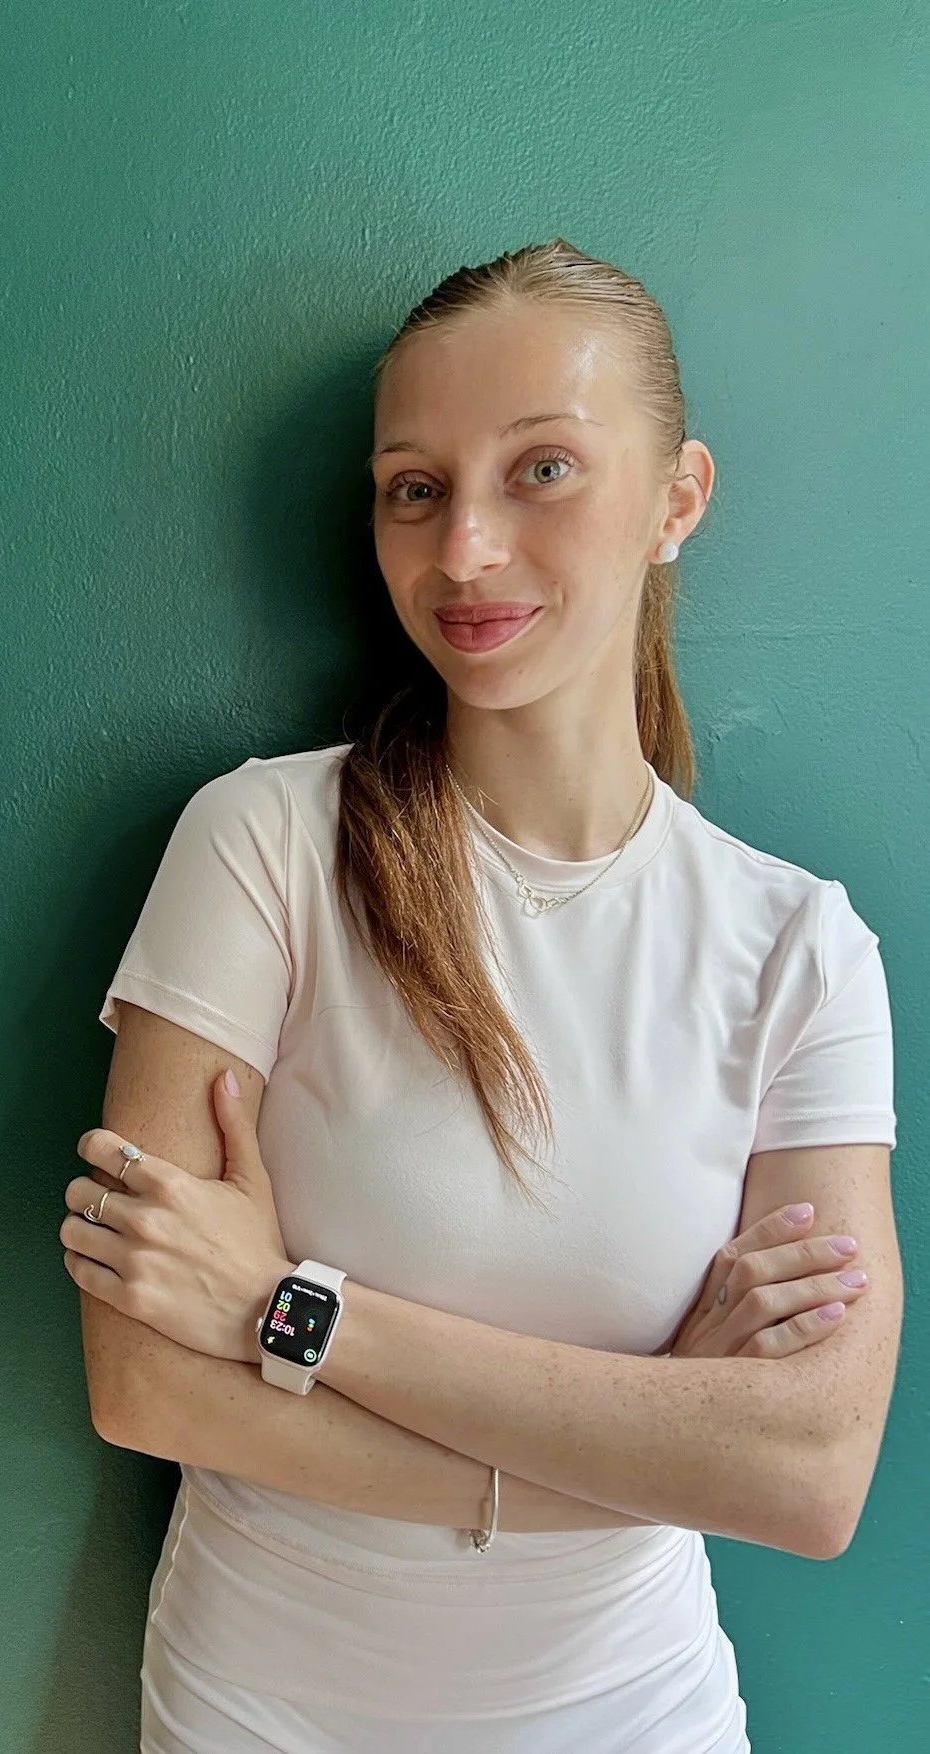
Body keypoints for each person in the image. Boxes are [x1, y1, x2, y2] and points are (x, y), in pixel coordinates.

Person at [61, 238, 902, 1754]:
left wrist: (286, 1310)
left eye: (544, 470)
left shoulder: (800, 950)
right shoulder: (261, 846)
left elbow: (811, 1472)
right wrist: (644, 1447)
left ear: (676, 499)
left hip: (634, 1716)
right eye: (415, 488)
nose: (462, 553)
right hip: (264, 1714)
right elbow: (140, 1380)